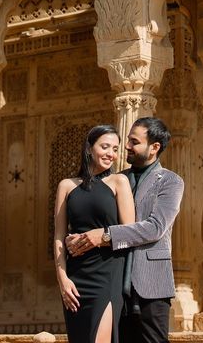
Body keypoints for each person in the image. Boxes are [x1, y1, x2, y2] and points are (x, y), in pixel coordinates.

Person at [66, 117, 184, 343]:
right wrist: (76, 239)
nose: (127, 146)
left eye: (134, 141)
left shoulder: (170, 181)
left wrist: (105, 235)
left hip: (151, 285)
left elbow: (155, 228)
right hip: (114, 283)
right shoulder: (116, 179)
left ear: (154, 148)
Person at [54, 124, 135, 343]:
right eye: (105, 146)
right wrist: (63, 280)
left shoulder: (119, 182)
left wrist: (98, 238)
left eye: (115, 149)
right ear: (89, 148)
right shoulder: (67, 186)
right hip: (76, 278)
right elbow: (59, 237)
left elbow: (130, 232)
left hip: (107, 274)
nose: (111, 153)